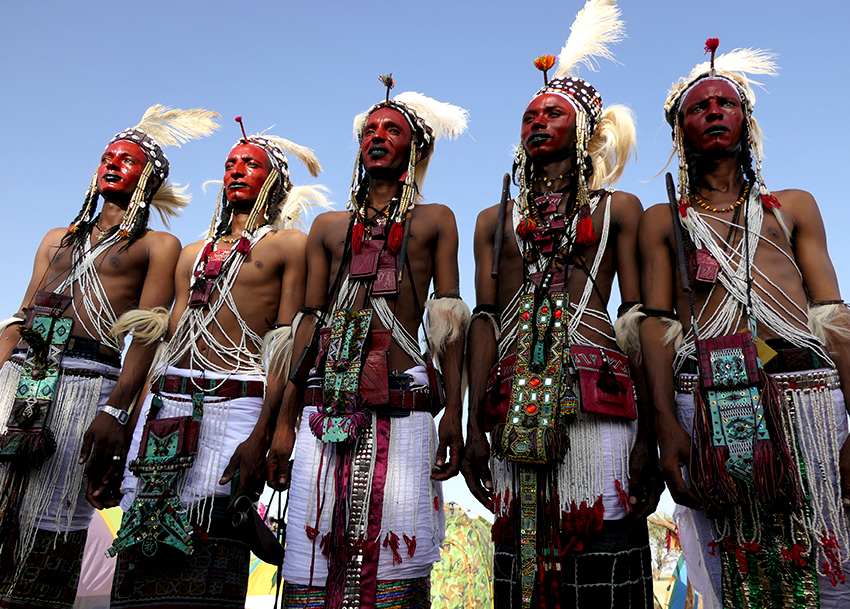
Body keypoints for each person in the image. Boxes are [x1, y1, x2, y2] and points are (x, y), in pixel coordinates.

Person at [639, 39, 850, 608]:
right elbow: (655, 327)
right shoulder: (664, 220)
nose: (712, 112)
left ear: (745, 121)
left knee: (829, 570)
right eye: (697, 107)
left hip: (805, 398)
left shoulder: (794, 206)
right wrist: (666, 428)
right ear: (680, 129)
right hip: (705, 400)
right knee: (731, 579)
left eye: (724, 103)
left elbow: (832, 317)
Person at [462, 2, 660, 607]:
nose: (537, 122)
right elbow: (486, 320)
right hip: (510, 406)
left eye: (553, 112)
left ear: (584, 130)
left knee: (605, 551)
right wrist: (472, 425)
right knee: (519, 565)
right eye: (529, 115)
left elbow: (642, 323)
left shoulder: (618, 208)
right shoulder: (492, 221)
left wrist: (651, 433)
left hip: (600, 407)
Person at [0, 105, 219, 608]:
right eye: (107, 156)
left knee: (49, 529)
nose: (113, 163)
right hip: (19, 380)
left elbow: (148, 336)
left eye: (128, 159)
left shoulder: (158, 246)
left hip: (86, 387)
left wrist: (117, 410)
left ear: (149, 177)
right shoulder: (58, 239)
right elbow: (19, 318)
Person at [267, 76, 469, 608]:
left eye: (392, 129)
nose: (377, 136)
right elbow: (304, 328)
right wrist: (285, 421)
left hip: (405, 400)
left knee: (395, 570)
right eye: (370, 129)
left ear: (415, 148)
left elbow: (448, 317)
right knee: (312, 563)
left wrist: (455, 415)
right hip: (323, 402)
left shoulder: (436, 220)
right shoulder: (328, 227)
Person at [110, 120, 329, 608]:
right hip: (165, 409)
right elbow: (166, 347)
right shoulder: (191, 253)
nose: (236, 171)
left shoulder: (289, 246)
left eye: (250, 164)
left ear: (275, 181)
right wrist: (126, 424)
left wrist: (269, 432)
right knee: (141, 540)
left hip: (238, 408)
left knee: (214, 537)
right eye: (230, 163)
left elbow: (288, 346)